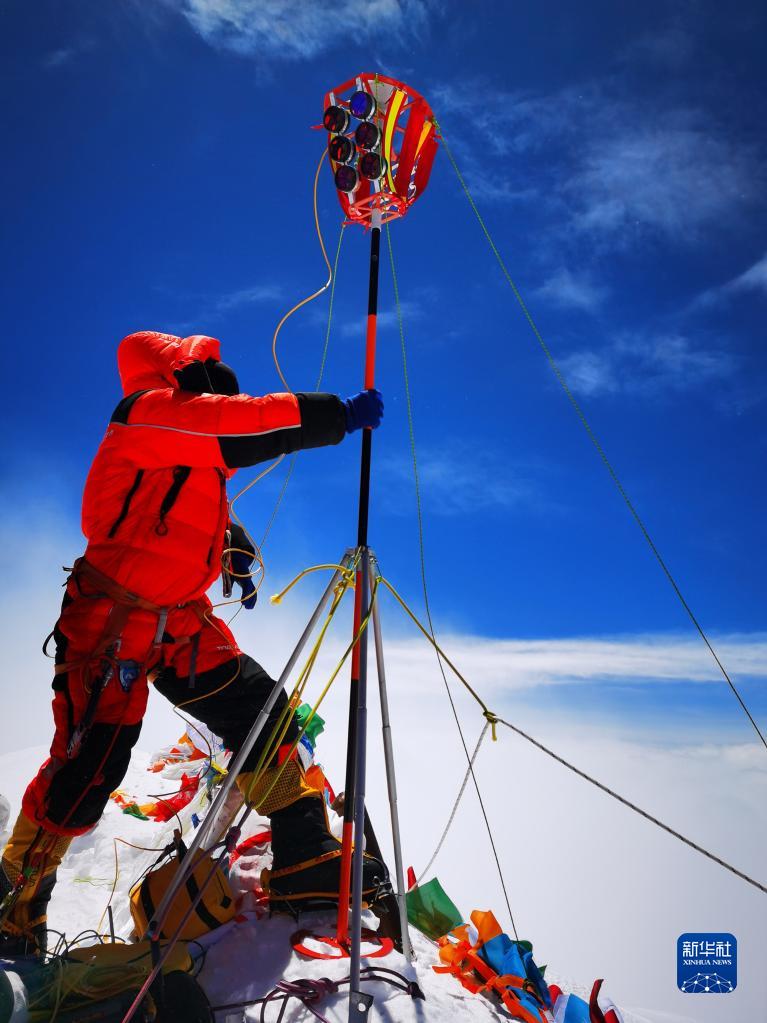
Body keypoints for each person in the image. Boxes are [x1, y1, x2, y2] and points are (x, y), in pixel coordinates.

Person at [0, 330, 386, 955]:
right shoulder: (144, 412)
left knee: (261, 711)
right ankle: (16, 903)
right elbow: (234, 428)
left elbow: (188, 494)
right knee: (88, 765)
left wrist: (230, 542)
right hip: (111, 622)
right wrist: (334, 415)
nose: (218, 388)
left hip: (179, 619)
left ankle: (305, 854)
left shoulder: (185, 438)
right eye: (207, 377)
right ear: (178, 374)